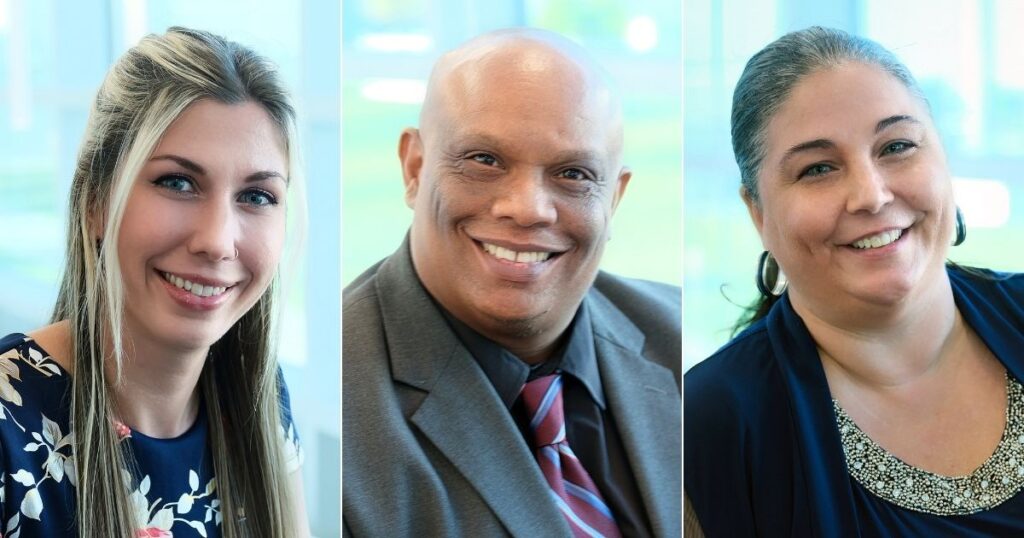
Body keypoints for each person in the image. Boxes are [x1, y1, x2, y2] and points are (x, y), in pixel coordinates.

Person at [684, 26, 1024, 536]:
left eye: (898, 146)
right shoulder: (706, 425)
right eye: (818, 168)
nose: (871, 195)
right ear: (758, 212)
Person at [342, 28, 681, 537]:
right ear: (414, 168)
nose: (527, 208)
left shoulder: (683, 344)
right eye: (484, 160)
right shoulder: (333, 413)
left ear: (614, 200)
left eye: (574, 174)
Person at [0, 27, 310, 537]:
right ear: (96, 203)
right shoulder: (9, 432)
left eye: (256, 196)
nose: (217, 240)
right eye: (178, 183)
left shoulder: (258, 395)